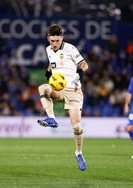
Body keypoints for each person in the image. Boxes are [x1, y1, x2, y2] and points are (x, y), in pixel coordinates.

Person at [37, 24, 89, 171]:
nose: (54, 44)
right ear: (48, 38)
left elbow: (84, 64)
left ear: (62, 38)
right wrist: (48, 73)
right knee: (43, 88)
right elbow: (52, 64)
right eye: (52, 41)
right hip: (58, 89)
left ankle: (78, 153)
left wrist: (81, 73)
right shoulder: (48, 50)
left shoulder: (71, 49)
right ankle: (52, 118)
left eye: (57, 41)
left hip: (73, 89)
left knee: (76, 126)